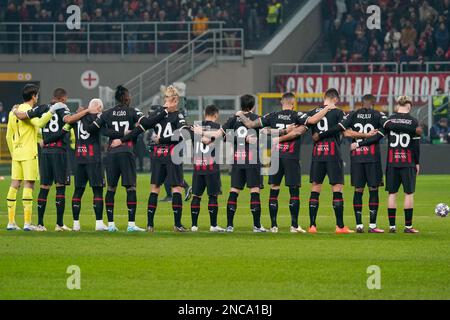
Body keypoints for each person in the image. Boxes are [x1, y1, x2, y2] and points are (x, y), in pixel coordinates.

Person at [236, 92, 334, 233]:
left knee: (274, 189)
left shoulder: (273, 115)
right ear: (293, 103)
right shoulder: (297, 115)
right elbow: (312, 121)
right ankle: (294, 226)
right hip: (291, 157)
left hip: (275, 156)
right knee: (293, 191)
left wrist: (240, 114)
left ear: (282, 102)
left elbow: (251, 124)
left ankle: (274, 226)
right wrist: (326, 109)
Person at [86, 85, 170, 232]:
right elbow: (148, 123)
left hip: (111, 153)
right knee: (130, 188)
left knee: (111, 188)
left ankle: (111, 224)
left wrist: (113, 133)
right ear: (126, 97)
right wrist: (164, 110)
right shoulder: (133, 111)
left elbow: (92, 129)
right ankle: (131, 224)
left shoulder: (107, 113)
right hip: (126, 152)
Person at [12, 88, 93, 232]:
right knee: (60, 187)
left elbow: (23, 116)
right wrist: (85, 112)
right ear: (62, 99)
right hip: (59, 151)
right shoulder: (62, 108)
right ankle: (59, 224)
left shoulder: (42, 108)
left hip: (46, 152)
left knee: (44, 188)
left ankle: (40, 224)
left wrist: (15, 109)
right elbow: (69, 119)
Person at [112, 86, 184, 232]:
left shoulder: (159, 114)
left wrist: (122, 140)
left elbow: (140, 129)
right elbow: (180, 135)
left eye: (167, 98)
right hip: (171, 155)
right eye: (166, 98)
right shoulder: (178, 115)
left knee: (157, 188)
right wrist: (122, 140)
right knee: (174, 188)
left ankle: (152, 225)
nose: (165, 101)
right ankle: (174, 225)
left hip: (159, 155)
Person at [312, 94, 386, 233]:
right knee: (373, 190)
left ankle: (358, 225)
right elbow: (382, 131)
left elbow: (343, 131)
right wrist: (366, 139)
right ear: (374, 103)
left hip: (357, 157)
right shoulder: (378, 115)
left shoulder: (352, 115)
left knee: (358, 190)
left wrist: (357, 143)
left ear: (361, 103)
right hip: (372, 158)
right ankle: (372, 225)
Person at [194, 95, 265, 232]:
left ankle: (230, 225)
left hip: (238, 159)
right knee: (254, 191)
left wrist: (202, 133)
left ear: (241, 105)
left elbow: (221, 136)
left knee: (234, 191)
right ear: (253, 106)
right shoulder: (257, 117)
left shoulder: (233, 119)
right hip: (253, 159)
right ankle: (256, 226)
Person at [353, 96, 422, 233]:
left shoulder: (389, 120)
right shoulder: (413, 121)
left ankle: (392, 226)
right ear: (409, 106)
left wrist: (359, 143)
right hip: (407, 162)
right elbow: (416, 146)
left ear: (398, 105)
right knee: (409, 193)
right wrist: (417, 162)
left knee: (392, 193)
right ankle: (408, 227)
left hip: (392, 162)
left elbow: (377, 137)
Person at [292, 89, 354, 234]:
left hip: (317, 153)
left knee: (315, 187)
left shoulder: (313, 111)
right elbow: (345, 132)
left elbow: (300, 127)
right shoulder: (339, 112)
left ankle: (312, 226)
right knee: (337, 188)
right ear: (336, 99)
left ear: (324, 97)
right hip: (333, 153)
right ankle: (340, 226)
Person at [5, 84, 62, 231]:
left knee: (14, 184)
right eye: (37, 95)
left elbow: (8, 136)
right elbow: (40, 122)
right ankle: (27, 223)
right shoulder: (28, 111)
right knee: (29, 185)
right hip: (29, 153)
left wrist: (13, 153)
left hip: (16, 153)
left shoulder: (13, 112)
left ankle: (11, 223)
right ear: (33, 96)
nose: (37, 97)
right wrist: (51, 111)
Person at [70, 99, 110, 231]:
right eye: (101, 108)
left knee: (78, 191)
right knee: (97, 190)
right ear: (98, 107)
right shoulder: (97, 118)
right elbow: (105, 132)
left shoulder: (78, 118)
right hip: (93, 159)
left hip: (79, 158)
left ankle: (75, 224)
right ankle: (99, 223)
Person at [190, 105, 225, 232]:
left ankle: (194, 225)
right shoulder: (219, 127)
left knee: (196, 196)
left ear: (205, 114)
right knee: (213, 196)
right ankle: (213, 225)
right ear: (216, 115)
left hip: (198, 166)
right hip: (212, 167)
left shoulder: (196, 126)